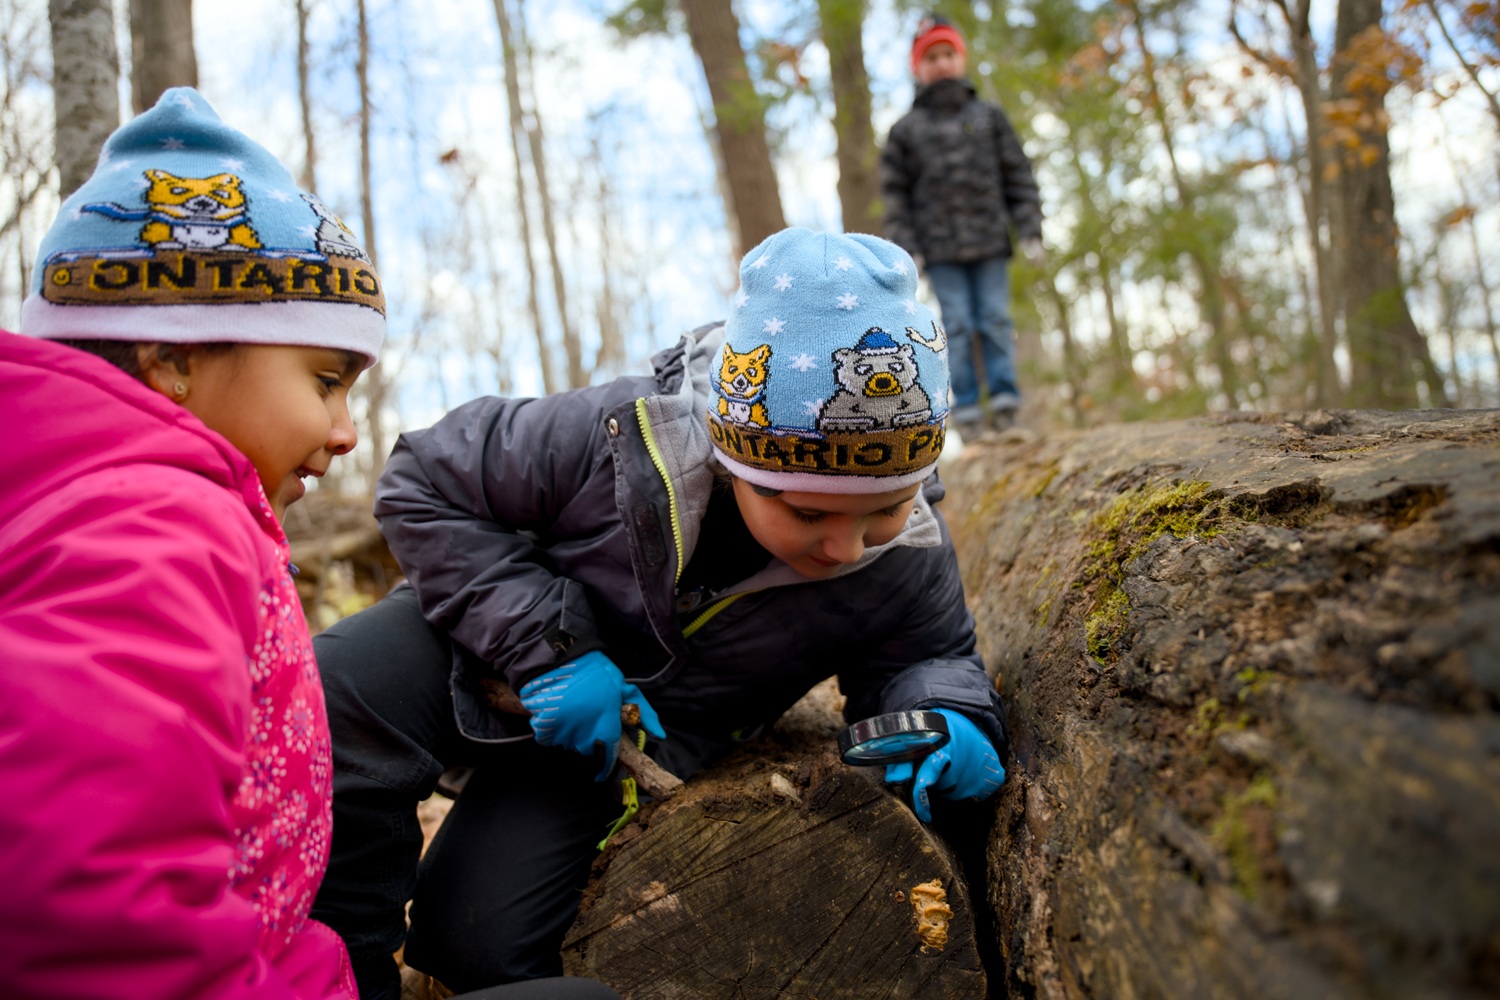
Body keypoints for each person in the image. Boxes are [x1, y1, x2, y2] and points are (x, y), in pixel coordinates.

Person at [0, 88, 617, 1000]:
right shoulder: (151, 532)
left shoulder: (124, 506)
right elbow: (100, 907)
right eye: (325, 381)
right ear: (172, 360)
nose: (345, 430)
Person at [310, 227, 1011, 997]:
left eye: (883, 508)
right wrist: (551, 648)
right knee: (342, 683)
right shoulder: (616, 438)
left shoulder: (905, 554)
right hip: (482, 642)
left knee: (469, 941)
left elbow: (924, 656)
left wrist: (947, 716)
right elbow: (422, 480)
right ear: (732, 455)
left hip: (616, 745)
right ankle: (335, 976)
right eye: (809, 515)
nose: (846, 546)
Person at [880, 12, 1045, 439]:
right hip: (940, 250)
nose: (940, 63)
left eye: (947, 53)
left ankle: (1007, 407)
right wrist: (907, 246)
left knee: (993, 319)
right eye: (930, 56)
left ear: (961, 58)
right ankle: (968, 413)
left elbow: (1018, 174)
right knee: (954, 325)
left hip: (990, 241)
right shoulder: (905, 131)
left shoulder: (989, 117)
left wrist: (1029, 227)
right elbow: (895, 194)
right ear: (917, 66)